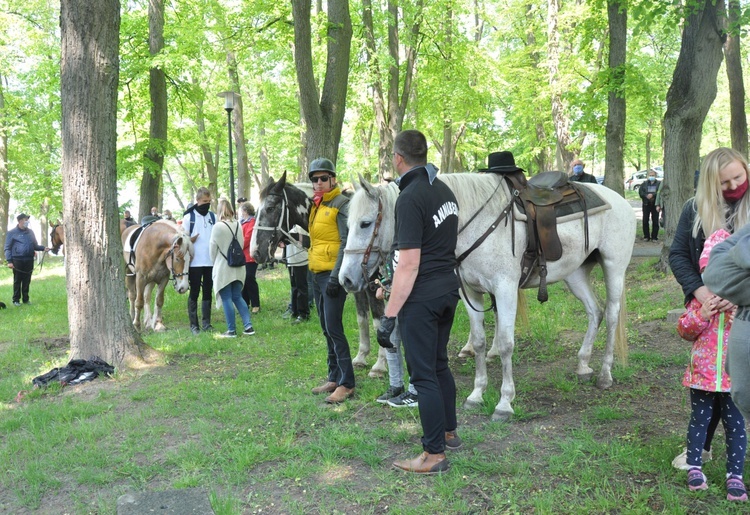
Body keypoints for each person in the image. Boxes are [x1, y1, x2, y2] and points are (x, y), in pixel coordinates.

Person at [376, 129, 461, 474]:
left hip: (422, 297)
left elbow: (408, 263)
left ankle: (433, 454)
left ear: (398, 158)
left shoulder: (409, 197)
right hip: (448, 289)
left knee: (423, 374)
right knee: (439, 364)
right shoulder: (444, 189)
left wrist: (389, 315)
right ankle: (449, 433)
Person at [669, 147, 750, 471]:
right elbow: (678, 255)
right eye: (725, 184)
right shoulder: (694, 210)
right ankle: (700, 448)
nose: (734, 188)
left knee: (739, 382)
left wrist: (739, 294)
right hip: (708, 312)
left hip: (744, 311)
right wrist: (700, 292)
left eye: (739, 178)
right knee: (710, 379)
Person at [677, 229, 747, 501]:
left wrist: (736, 315)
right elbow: (684, 330)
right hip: (702, 377)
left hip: (734, 378)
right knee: (700, 421)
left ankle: (735, 475)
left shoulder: (744, 301)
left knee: (736, 425)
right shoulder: (700, 300)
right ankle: (695, 466)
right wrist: (702, 315)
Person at [307, 157, 355, 404]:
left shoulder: (341, 204)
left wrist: (336, 277)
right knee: (326, 328)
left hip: (331, 275)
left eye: (323, 178)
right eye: (314, 179)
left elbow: (346, 242)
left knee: (334, 328)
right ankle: (334, 376)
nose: (319, 183)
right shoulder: (316, 205)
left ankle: (347, 382)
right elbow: (319, 240)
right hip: (316, 273)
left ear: (333, 179)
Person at [209, 199, 255, 338]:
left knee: (227, 298)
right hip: (238, 266)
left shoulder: (217, 227)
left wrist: (216, 261)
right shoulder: (238, 225)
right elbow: (241, 244)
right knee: (237, 296)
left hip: (223, 267)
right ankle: (248, 326)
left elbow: (212, 250)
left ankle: (231, 330)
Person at [182, 187, 217, 335]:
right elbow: (182, 240)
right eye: (204, 201)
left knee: (208, 292)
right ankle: (194, 325)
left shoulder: (213, 216)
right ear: (197, 201)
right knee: (195, 292)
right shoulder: (189, 218)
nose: (206, 204)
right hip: (195, 262)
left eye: (209, 201)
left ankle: (206, 323)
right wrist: (190, 239)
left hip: (210, 261)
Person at [4, 214, 49, 306]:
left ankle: (25, 299)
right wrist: (9, 261)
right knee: (17, 280)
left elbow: (35, 246)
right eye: (25, 219)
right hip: (17, 260)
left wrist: (43, 248)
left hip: (29, 259)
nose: (27, 221)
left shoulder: (30, 232)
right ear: (20, 221)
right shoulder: (12, 233)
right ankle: (16, 300)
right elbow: (7, 248)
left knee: (27, 280)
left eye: (27, 220)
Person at [284, 225, 310, 323]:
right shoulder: (290, 226)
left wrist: (290, 236)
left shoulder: (301, 226)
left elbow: (303, 241)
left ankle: (304, 314)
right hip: (291, 260)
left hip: (300, 260)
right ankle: (294, 310)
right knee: (294, 286)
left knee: (301, 287)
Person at [239, 202, 261, 314]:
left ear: (246, 211)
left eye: (242, 210)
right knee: (244, 280)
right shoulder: (242, 223)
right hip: (243, 256)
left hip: (250, 256)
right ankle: (245, 303)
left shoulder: (251, 222)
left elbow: (247, 238)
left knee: (249, 278)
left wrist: (238, 245)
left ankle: (256, 304)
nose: (241, 213)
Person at [638, 169, 662, 241]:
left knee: (655, 221)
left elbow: (659, 192)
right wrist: (646, 195)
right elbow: (640, 192)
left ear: (655, 176)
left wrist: (653, 195)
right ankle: (646, 236)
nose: (651, 176)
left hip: (655, 204)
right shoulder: (644, 183)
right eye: (650, 175)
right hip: (646, 204)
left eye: (653, 175)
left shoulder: (658, 183)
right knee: (645, 220)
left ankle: (654, 237)